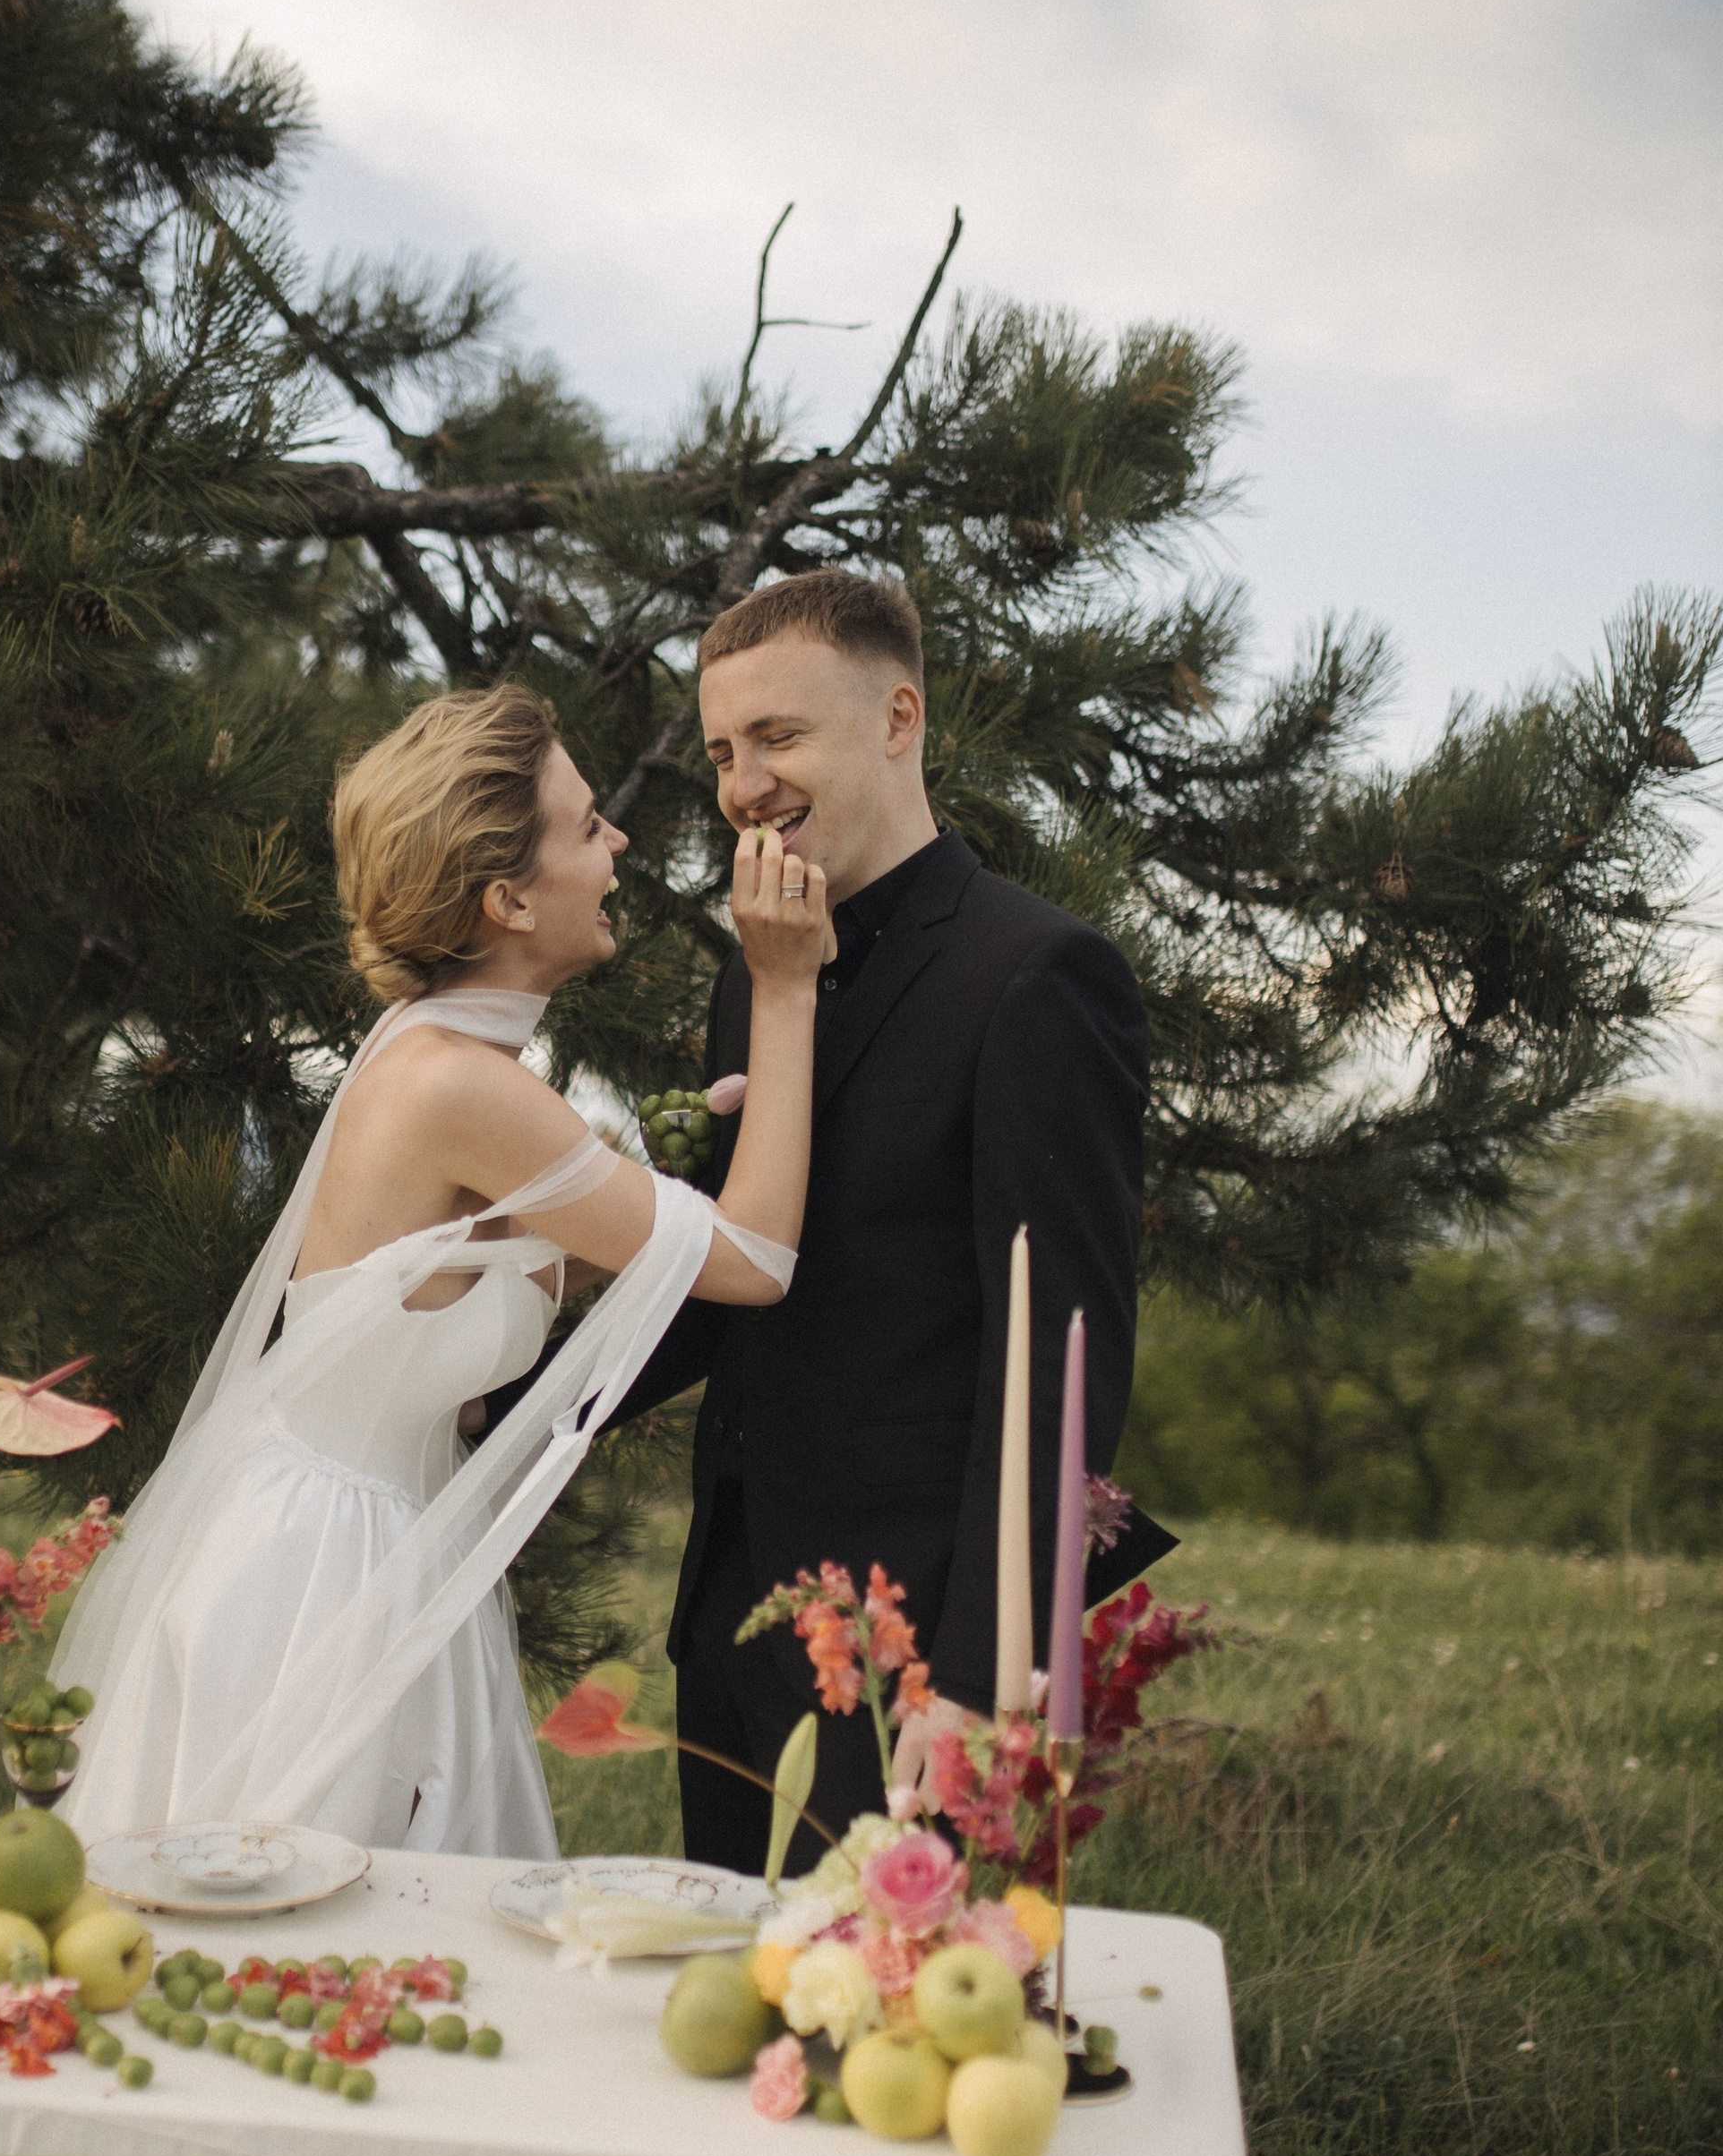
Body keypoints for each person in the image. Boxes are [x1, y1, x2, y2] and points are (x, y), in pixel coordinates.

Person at [57, 683, 832, 1861]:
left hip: (378, 1552)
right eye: (588, 825)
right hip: (321, 1583)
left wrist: (649, 1192)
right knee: (303, 1918)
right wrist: (783, 985)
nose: (620, 844)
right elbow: (758, 1265)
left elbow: (458, 1317)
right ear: (507, 898)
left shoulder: (442, 1059)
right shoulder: (458, 1086)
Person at [608, 569, 1173, 1871]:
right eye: (724, 753)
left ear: (899, 718)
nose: (746, 784)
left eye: (779, 737)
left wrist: (982, 1675)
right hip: (735, 1621)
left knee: (892, 1993)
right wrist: (499, 1403)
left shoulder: (1036, 974)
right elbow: (738, 1278)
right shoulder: (753, 976)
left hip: (918, 1653)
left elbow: (1066, 1361)